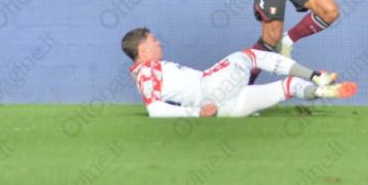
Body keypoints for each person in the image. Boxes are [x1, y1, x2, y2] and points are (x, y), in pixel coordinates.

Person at [122, 27, 356, 118]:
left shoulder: (147, 72)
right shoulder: (147, 70)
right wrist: (197, 113)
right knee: (249, 55)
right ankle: (316, 76)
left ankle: (320, 91)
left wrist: (202, 111)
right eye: (153, 40)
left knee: (289, 86)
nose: (159, 43)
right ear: (142, 49)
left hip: (226, 109)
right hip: (210, 89)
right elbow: (155, 110)